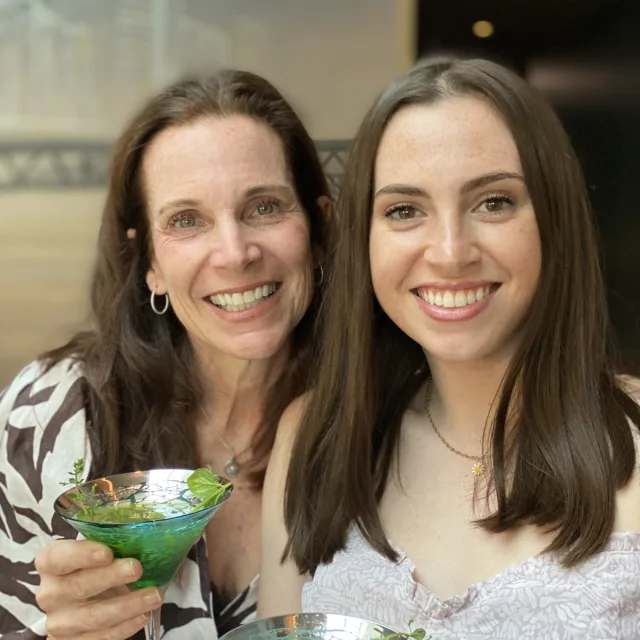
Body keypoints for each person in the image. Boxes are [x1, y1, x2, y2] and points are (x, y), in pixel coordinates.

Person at [259, 57, 640, 638]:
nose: (450, 251)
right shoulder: (316, 438)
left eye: (494, 202)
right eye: (404, 210)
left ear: (555, 220)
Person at [0, 69, 331, 640]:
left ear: (318, 227)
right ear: (149, 261)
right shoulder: (47, 417)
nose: (235, 253)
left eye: (264, 207)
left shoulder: (387, 428)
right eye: (186, 220)